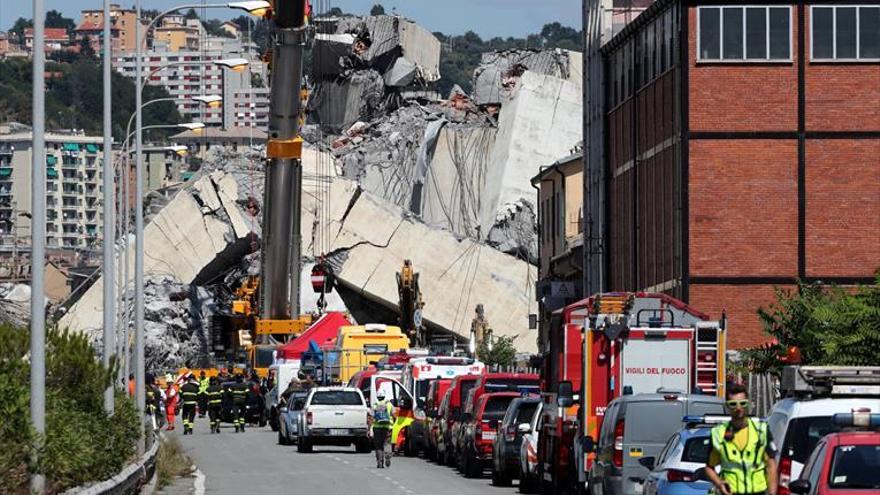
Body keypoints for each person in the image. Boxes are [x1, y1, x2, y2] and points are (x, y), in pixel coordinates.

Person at [704, 383, 778, 495]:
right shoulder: (718, 433)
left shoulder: (761, 431)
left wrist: (772, 493)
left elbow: (771, 465)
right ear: (727, 406)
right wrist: (719, 483)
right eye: (733, 404)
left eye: (742, 403)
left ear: (748, 404)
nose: (738, 408)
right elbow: (709, 468)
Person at [370, 391, 395, 469]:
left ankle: (379, 462)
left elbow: (371, 417)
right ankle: (387, 456)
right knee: (387, 443)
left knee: (378, 446)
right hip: (387, 428)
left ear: (377, 397)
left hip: (377, 428)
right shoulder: (389, 404)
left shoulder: (375, 405)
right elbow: (394, 415)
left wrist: (369, 428)